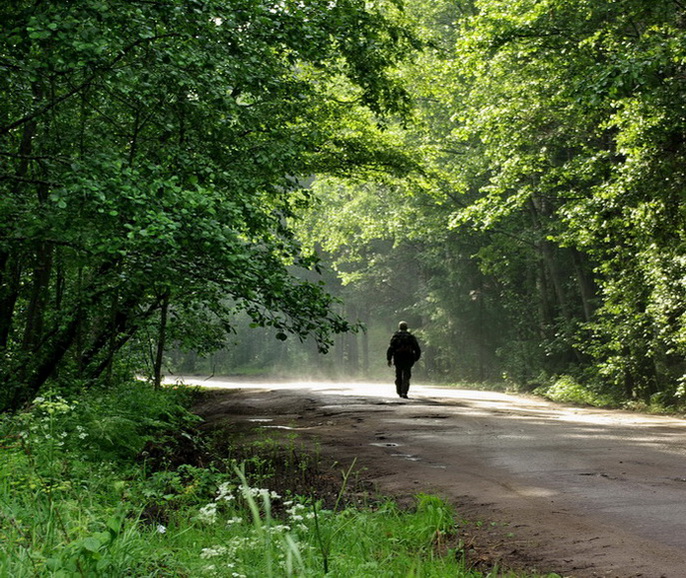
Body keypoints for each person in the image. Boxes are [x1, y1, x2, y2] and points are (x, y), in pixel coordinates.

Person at [386, 321, 421, 399]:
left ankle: (399, 391)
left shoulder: (395, 336)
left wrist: (389, 359)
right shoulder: (410, 337)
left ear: (399, 327)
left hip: (398, 358)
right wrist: (416, 357)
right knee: (406, 375)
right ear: (406, 327)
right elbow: (417, 348)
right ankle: (404, 391)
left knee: (398, 375)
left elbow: (391, 348)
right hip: (408, 358)